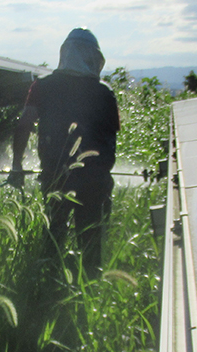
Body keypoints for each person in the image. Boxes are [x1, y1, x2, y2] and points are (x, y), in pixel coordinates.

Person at [10, 28, 120, 275]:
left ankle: (48, 284)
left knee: (54, 234)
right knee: (91, 241)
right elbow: (111, 141)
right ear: (95, 59)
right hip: (95, 180)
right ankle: (89, 290)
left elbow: (24, 123)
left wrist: (17, 165)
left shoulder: (43, 86)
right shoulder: (105, 93)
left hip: (55, 176)